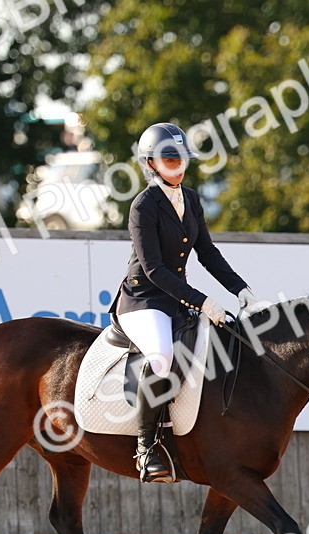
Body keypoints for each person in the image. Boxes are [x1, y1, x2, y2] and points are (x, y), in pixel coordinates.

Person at [114, 121, 259, 482]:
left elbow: (207, 253)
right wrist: (205, 303)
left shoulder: (191, 199)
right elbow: (154, 270)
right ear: (150, 163)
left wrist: (241, 289)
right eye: (168, 157)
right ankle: (146, 449)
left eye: (181, 157)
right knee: (162, 358)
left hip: (177, 301)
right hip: (144, 301)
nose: (177, 164)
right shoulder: (143, 206)